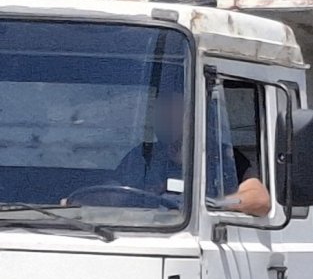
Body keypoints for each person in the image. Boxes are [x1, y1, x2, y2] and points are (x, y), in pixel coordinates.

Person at [113, 93, 271, 217]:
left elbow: (259, 199)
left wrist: (213, 203)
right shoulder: (142, 155)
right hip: (146, 233)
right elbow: (108, 193)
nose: (164, 118)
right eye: (161, 113)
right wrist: (141, 195)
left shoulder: (223, 157)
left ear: (193, 115)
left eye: (172, 113)